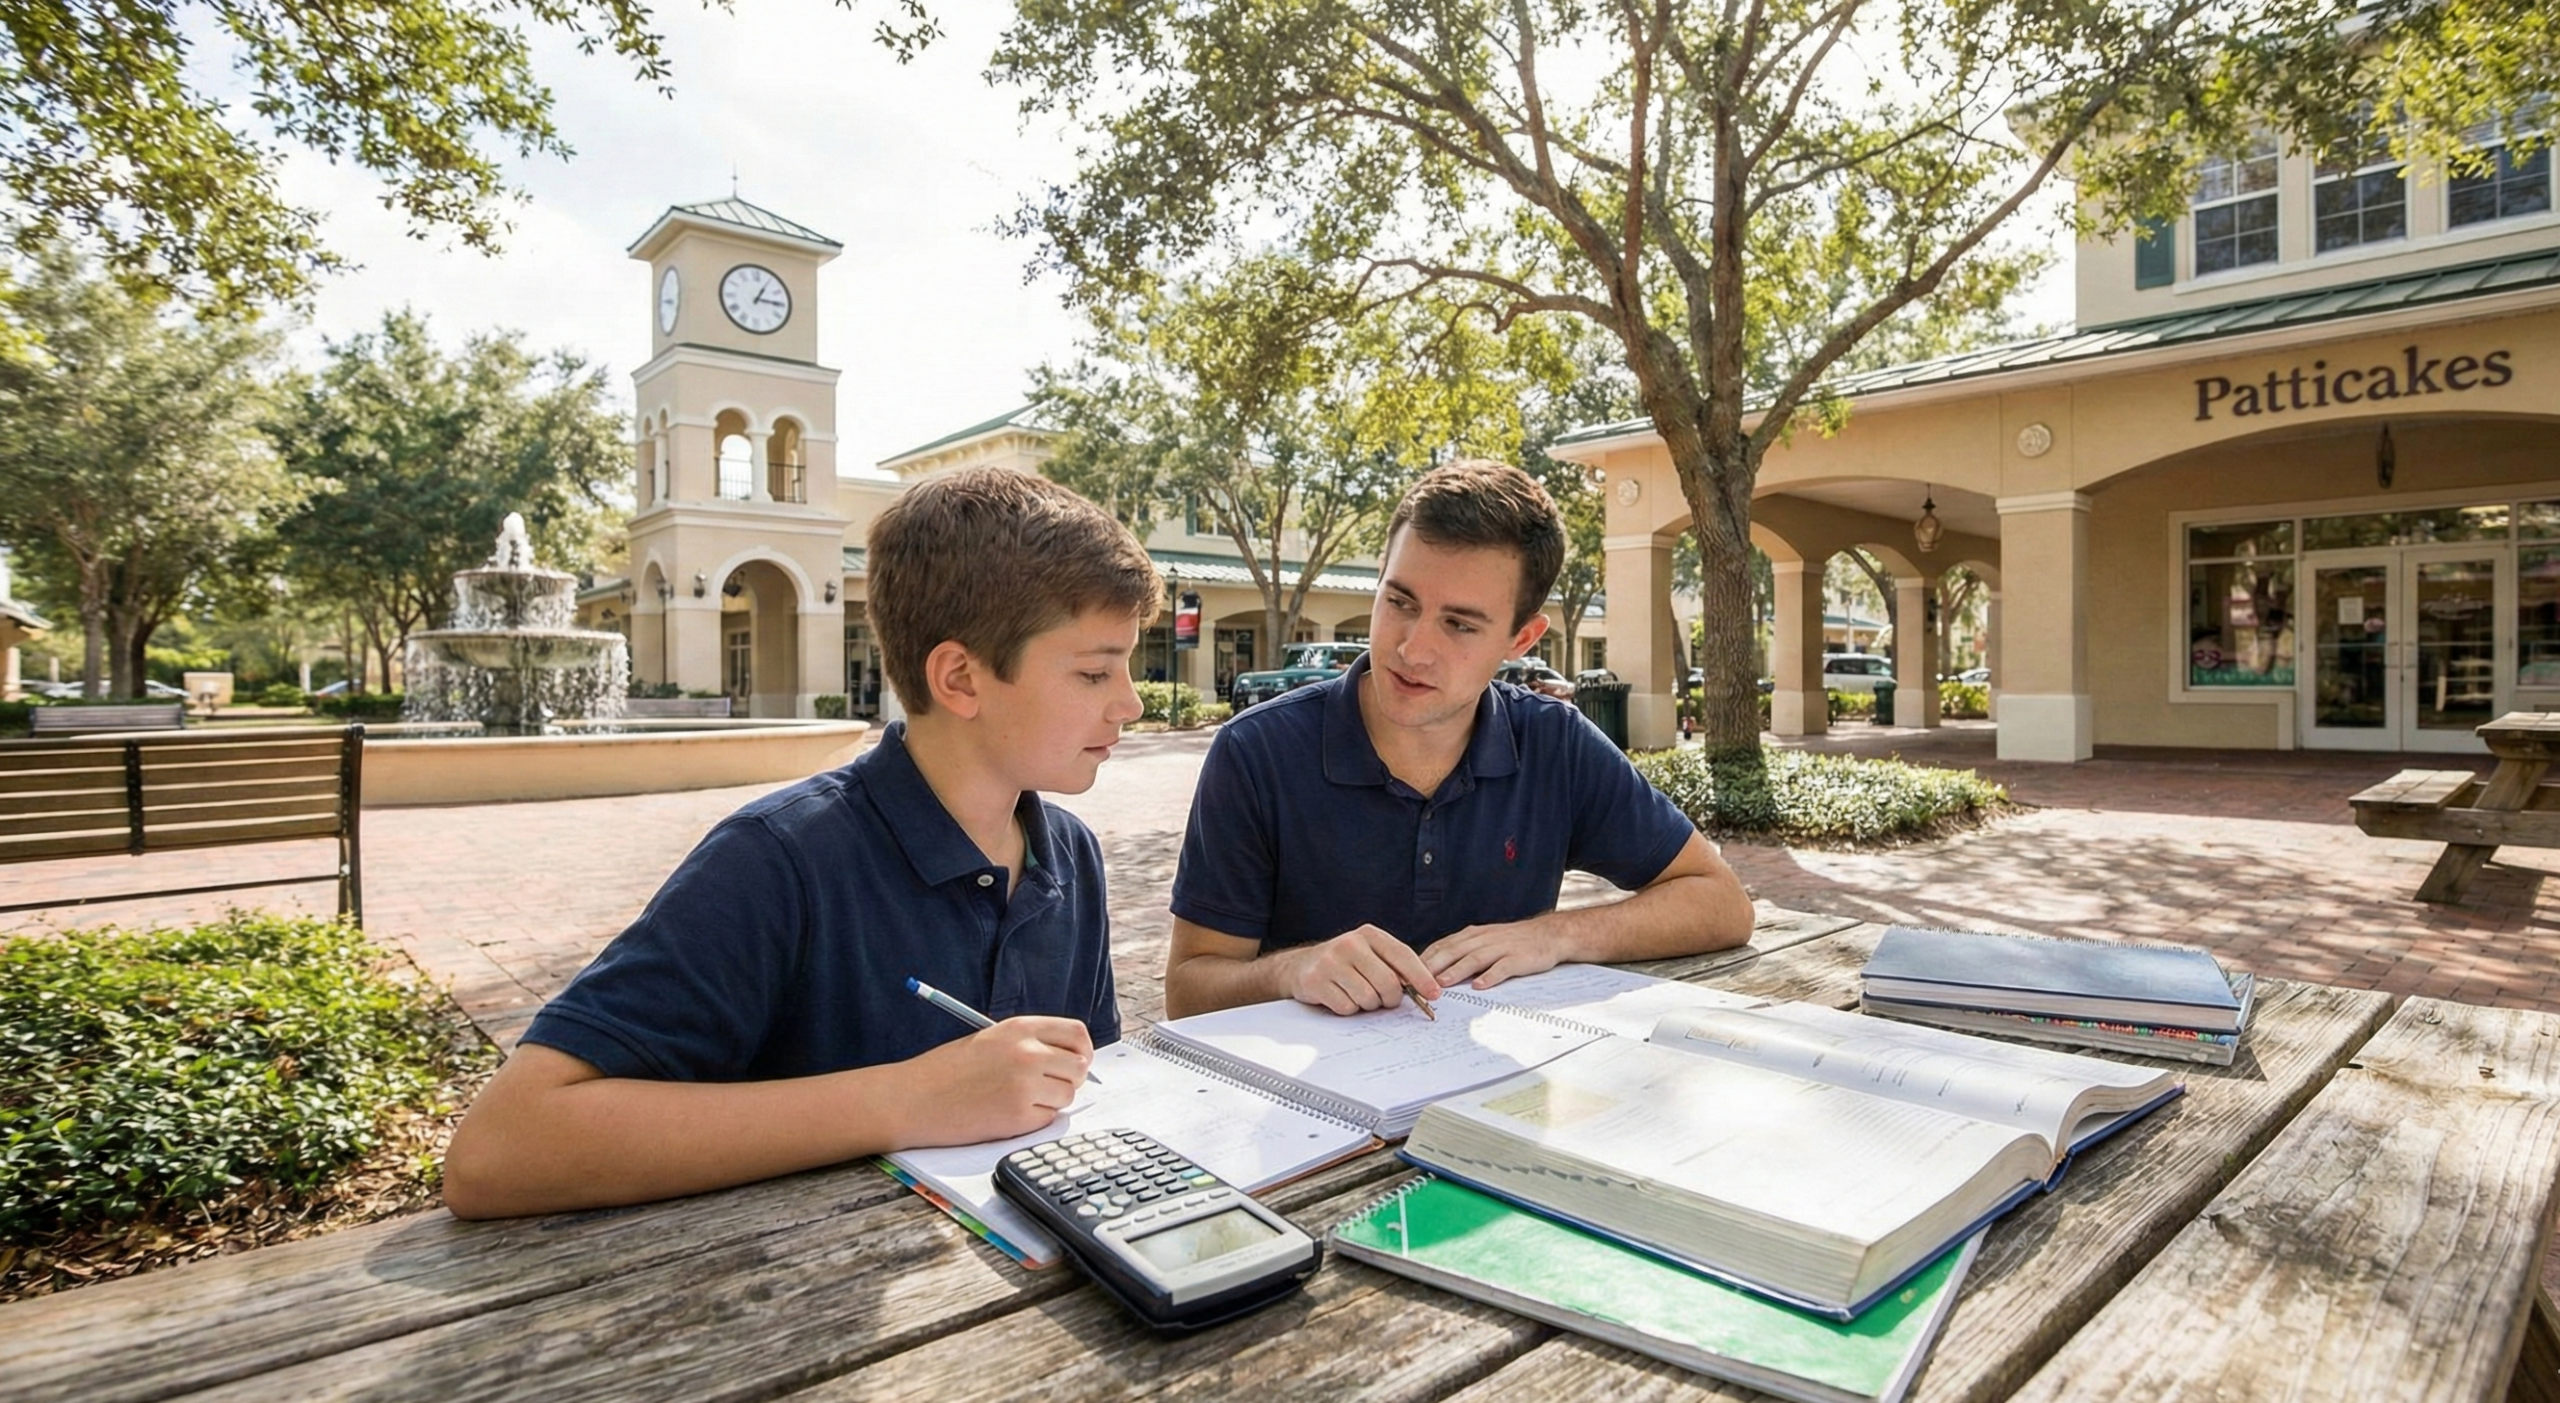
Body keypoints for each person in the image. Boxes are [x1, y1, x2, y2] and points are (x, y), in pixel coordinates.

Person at [442, 468, 1159, 1218]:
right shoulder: (779, 860)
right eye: (1093, 671)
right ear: (959, 678)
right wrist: (911, 1097)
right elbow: (499, 1150)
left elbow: (1093, 1079)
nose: (1131, 701)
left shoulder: (1068, 853)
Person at [1163, 459, 1753, 1020]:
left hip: (1495, 1101)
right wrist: (1291, 971)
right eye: (1400, 601)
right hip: (1312, 1117)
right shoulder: (1257, 752)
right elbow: (1188, 991)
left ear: (1521, 638)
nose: (1413, 649)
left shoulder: (1554, 744)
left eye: (1460, 624)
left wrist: (1557, 933)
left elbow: (1721, 903)